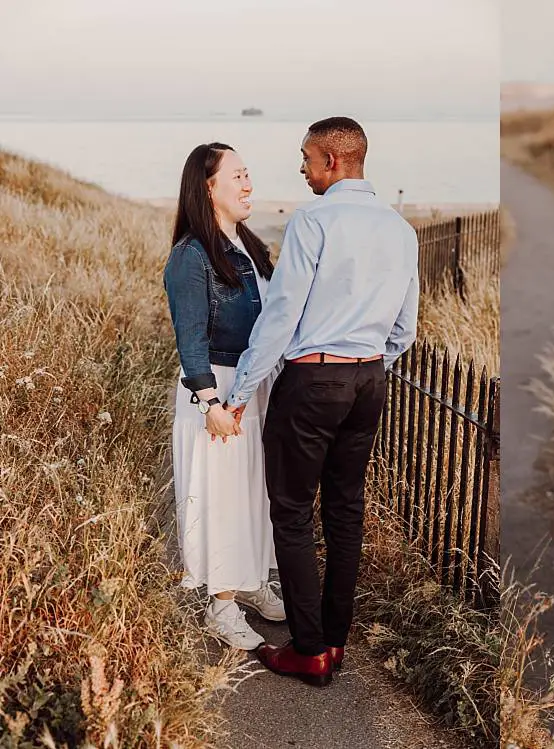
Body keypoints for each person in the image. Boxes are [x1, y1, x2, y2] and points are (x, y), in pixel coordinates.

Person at [216, 117, 420, 687]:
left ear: (332, 161)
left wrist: (242, 390)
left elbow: (280, 318)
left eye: (306, 159)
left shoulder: (314, 221)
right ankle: (334, 640)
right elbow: (405, 327)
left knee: (293, 510)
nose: (301, 170)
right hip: (369, 380)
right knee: (345, 511)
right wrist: (366, 367)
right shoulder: (400, 230)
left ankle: (308, 651)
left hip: (312, 383)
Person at [163, 143, 286, 651]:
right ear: (208, 187)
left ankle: (253, 579)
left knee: (255, 491)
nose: (248, 184)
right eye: (237, 176)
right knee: (221, 497)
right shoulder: (191, 255)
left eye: (248, 174)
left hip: (252, 385)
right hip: (216, 388)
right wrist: (209, 403)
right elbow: (189, 337)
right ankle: (223, 604)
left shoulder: (248, 245)